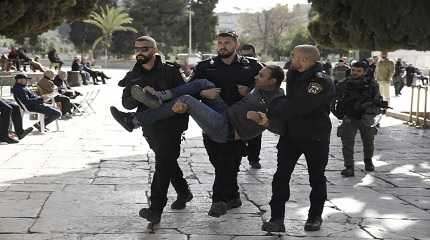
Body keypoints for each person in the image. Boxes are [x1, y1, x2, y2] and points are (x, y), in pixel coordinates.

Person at [254, 45, 335, 232]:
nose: (291, 58)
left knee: (316, 178)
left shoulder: (320, 81)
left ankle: (314, 217)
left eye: (294, 56)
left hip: (315, 136)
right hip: (291, 135)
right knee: (281, 176)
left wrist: (275, 103)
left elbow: (300, 106)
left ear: (305, 60)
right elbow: (292, 102)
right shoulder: (293, 74)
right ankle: (277, 219)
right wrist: (283, 104)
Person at [111, 36, 191, 225]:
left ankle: (155, 209)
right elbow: (126, 103)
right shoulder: (133, 75)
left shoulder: (170, 70)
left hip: (172, 124)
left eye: (145, 49)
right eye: (137, 49)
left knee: (163, 163)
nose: (140, 52)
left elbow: (183, 93)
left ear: (154, 50)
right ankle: (183, 191)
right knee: (167, 160)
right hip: (150, 126)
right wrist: (139, 96)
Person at [111, 65, 285, 145]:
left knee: (187, 99)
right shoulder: (260, 87)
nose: (256, 77)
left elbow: (280, 128)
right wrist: (247, 93)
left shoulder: (277, 101)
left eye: (261, 76)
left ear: (273, 82)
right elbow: (253, 97)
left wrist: (263, 121)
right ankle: (160, 96)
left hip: (226, 131)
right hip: (225, 115)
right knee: (203, 83)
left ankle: (133, 121)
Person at [190, 31, 264, 217]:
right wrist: (202, 94)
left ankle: (218, 201)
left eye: (227, 42)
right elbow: (191, 88)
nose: (223, 46)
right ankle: (234, 196)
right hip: (213, 122)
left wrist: (250, 93)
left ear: (236, 45)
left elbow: (269, 88)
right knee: (219, 161)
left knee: (228, 161)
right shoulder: (205, 67)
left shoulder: (253, 66)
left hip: (239, 123)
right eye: (220, 43)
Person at [332, 60, 383, 177]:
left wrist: (371, 108)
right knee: (347, 143)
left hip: (366, 117)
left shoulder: (372, 84)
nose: (355, 73)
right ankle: (349, 167)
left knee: (368, 142)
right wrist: (338, 112)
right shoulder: (344, 83)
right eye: (353, 70)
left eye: (359, 71)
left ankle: (368, 162)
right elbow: (335, 99)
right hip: (349, 117)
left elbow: (377, 100)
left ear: (365, 72)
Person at [239, 43, 264, 169]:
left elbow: (266, 85)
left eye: (249, 55)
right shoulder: (235, 67)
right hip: (238, 106)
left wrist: (249, 90)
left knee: (255, 134)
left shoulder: (260, 68)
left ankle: (254, 158)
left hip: (255, 105)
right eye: (244, 55)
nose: (247, 58)